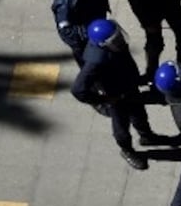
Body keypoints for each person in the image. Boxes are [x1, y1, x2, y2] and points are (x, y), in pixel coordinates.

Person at [71, 20, 169, 170]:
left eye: (118, 36)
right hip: (116, 96)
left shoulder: (115, 44)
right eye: (115, 39)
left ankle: (147, 136)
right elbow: (78, 89)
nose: (120, 40)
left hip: (129, 87)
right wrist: (102, 100)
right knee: (121, 128)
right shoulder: (95, 62)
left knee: (139, 114)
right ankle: (127, 150)